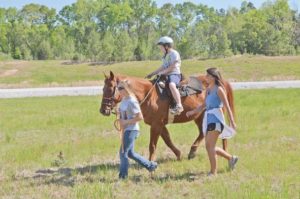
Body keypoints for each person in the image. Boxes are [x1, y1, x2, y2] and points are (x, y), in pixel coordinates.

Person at [186, 68, 238, 176]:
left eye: (208, 75)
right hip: (209, 118)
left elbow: (227, 106)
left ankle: (213, 172)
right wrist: (193, 112)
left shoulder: (219, 90)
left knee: (210, 147)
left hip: (217, 119)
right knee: (209, 146)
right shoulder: (208, 90)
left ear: (214, 77)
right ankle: (231, 158)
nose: (206, 77)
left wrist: (232, 121)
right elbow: (204, 105)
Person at [117, 80, 158, 179]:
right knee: (130, 153)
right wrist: (119, 113)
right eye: (117, 88)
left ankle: (123, 177)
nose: (118, 91)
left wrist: (125, 122)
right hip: (126, 129)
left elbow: (140, 117)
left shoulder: (132, 100)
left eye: (120, 88)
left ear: (126, 89)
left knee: (123, 153)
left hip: (132, 130)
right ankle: (151, 165)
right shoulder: (124, 100)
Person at [146, 36, 183, 115]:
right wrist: (152, 73)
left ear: (166, 46)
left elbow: (173, 66)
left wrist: (163, 72)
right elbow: (162, 67)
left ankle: (179, 105)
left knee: (172, 85)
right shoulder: (165, 56)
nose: (160, 49)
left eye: (161, 47)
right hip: (166, 75)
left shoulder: (174, 53)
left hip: (174, 74)